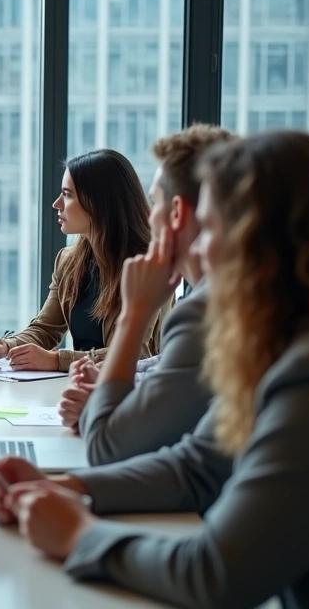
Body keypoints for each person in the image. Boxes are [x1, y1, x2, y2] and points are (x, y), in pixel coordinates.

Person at [0, 131, 309, 608]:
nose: (198, 252)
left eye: (211, 230)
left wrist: (79, 533)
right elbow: (197, 468)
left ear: (261, 242)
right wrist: (62, 487)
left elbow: (215, 575)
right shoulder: (288, 343)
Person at [56, 125, 235, 465]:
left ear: (178, 213)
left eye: (155, 202)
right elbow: (166, 368)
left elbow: (107, 447)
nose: (149, 215)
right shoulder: (208, 298)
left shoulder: (207, 310)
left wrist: (134, 314)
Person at [0, 148, 167, 371]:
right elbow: (45, 329)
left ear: (99, 202)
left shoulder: (150, 266)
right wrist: (6, 346)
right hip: (82, 386)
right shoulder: (68, 261)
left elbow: (136, 354)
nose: (56, 204)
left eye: (67, 194)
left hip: (136, 391)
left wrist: (56, 360)